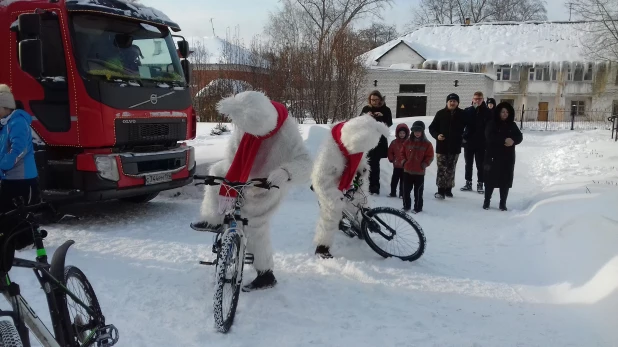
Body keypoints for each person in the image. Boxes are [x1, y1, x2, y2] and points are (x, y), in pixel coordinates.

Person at [191, 91, 312, 291]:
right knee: (217, 172)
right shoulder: (245, 117)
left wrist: (286, 172)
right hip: (243, 172)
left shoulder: (286, 131)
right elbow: (234, 150)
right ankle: (213, 218)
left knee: (256, 226)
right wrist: (233, 176)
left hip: (269, 182)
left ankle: (265, 274)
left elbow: (306, 164)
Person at [312, 114, 390, 259]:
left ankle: (362, 225)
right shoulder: (329, 153)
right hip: (330, 180)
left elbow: (358, 157)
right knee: (331, 212)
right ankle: (322, 246)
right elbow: (319, 180)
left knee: (362, 200)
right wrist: (335, 197)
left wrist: (362, 170)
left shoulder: (358, 136)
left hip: (349, 175)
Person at [0, 84, 41, 270]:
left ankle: (26, 241)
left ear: (4, 107)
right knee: (7, 212)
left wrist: (3, 165)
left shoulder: (17, 123)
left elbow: (19, 149)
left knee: (23, 211)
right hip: (8, 178)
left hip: (23, 178)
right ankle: (13, 240)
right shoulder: (5, 124)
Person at [483, 102, 523, 211]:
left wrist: (513, 141)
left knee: (505, 181)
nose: (505, 114)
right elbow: (489, 136)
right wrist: (504, 140)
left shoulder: (512, 125)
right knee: (490, 180)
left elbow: (519, 137)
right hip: (493, 156)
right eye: (503, 112)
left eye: (507, 112)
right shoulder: (492, 123)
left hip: (507, 157)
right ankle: (487, 201)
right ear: (498, 113)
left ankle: (502, 203)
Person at [428, 93, 465, 199]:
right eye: (450, 101)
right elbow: (432, 128)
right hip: (442, 147)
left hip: (455, 147)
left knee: (451, 169)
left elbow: (470, 127)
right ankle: (440, 191)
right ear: (447, 102)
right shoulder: (440, 114)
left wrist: (463, 137)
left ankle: (448, 189)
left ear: (458, 103)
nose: (452, 103)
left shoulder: (462, 114)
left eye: (454, 101)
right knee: (441, 169)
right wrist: (437, 135)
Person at [359, 90, 392, 195]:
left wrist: (381, 116)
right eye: (372, 100)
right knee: (366, 163)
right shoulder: (366, 108)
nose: (374, 102)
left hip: (379, 141)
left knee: (375, 165)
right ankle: (365, 185)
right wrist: (366, 117)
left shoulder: (386, 110)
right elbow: (359, 122)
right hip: (367, 140)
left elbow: (389, 124)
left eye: (376, 100)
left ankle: (375, 187)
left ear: (380, 100)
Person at [461, 91, 493, 194]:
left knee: (480, 165)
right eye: (475, 99)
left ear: (483, 100)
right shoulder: (468, 110)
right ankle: (468, 183)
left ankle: (480, 184)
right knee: (468, 164)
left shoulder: (487, 112)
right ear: (472, 99)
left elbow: (490, 127)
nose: (477, 101)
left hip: (481, 143)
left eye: (479, 99)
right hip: (469, 142)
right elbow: (463, 122)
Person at [400, 121, 434, 213]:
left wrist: (424, 164)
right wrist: (404, 162)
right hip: (407, 171)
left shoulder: (427, 144)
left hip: (419, 172)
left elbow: (430, 156)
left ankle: (418, 208)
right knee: (405, 190)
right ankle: (406, 206)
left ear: (422, 131)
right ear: (412, 131)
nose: (417, 133)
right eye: (415, 131)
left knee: (418, 192)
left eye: (419, 131)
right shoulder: (407, 142)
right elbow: (402, 153)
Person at [387, 123, 409, 198]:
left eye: (403, 133)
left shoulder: (408, 142)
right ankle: (393, 192)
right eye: (400, 133)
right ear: (397, 133)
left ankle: (402, 194)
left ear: (406, 133)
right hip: (396, 165)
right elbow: (390, 151)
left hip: (405, 166)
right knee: (394, 180)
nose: (402, 134)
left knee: (403, 181)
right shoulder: (394, 142)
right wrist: (391, 158)